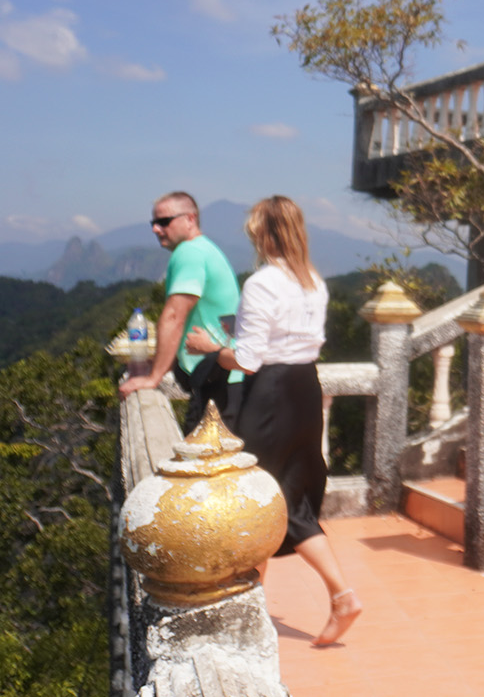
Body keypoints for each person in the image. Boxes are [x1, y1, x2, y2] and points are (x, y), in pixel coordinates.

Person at [185, 196, 362, 648]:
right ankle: (256, 604)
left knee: (261, 497)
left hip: (272, 396)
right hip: (305, 389)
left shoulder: (262, 283)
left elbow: (248, 358)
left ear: (264, 235)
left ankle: (338, 596)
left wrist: (210, 347)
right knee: (286, 495)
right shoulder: (313, 282)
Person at [118, 191, 242, 432]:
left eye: (164, 221)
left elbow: (174, 315)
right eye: (154, 223)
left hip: (218, 380)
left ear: (190, 219)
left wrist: (153, 377)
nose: (156, 229)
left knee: (204, 465)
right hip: (227, 377)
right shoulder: (206, 249)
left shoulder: (189, 253)